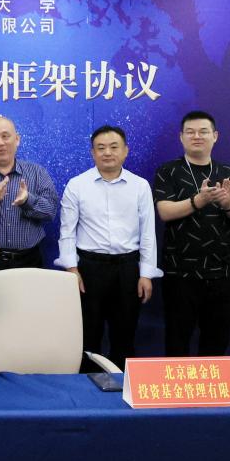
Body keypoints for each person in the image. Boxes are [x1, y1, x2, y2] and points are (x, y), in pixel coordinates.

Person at [54, 125, 161, 371]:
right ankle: (86, 389)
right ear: (92, 153)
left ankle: (122, 388)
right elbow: (67, 231)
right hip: (89, 269)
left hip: (128, 268)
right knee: (87, 335)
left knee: (125, 335)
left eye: (114, 147)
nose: (107, 153)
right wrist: (72, 269)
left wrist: (146, 274)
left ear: (125, 151)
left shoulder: (140, 186)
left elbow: (148, 233)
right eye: (100, 148)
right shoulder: (77, 185)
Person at [153, 111, 230, 357]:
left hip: (220, 273)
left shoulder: (228, 171)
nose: (197, 136)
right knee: (177, 342)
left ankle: (210, 385)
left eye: (203, 131)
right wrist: (199, 200)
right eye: (190, 132)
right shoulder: (168, 170)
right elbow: (164, 211)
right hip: (179, 274)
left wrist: (228, 204)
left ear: (215, 136)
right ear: (181, 137)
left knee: (216, 342)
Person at [0, 116, 58, 278]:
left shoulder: (37, 173)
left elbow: (50, 212)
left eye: (5, 136)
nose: (0, 143)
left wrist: (27, 200)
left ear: (17, 139)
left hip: (29, 260)